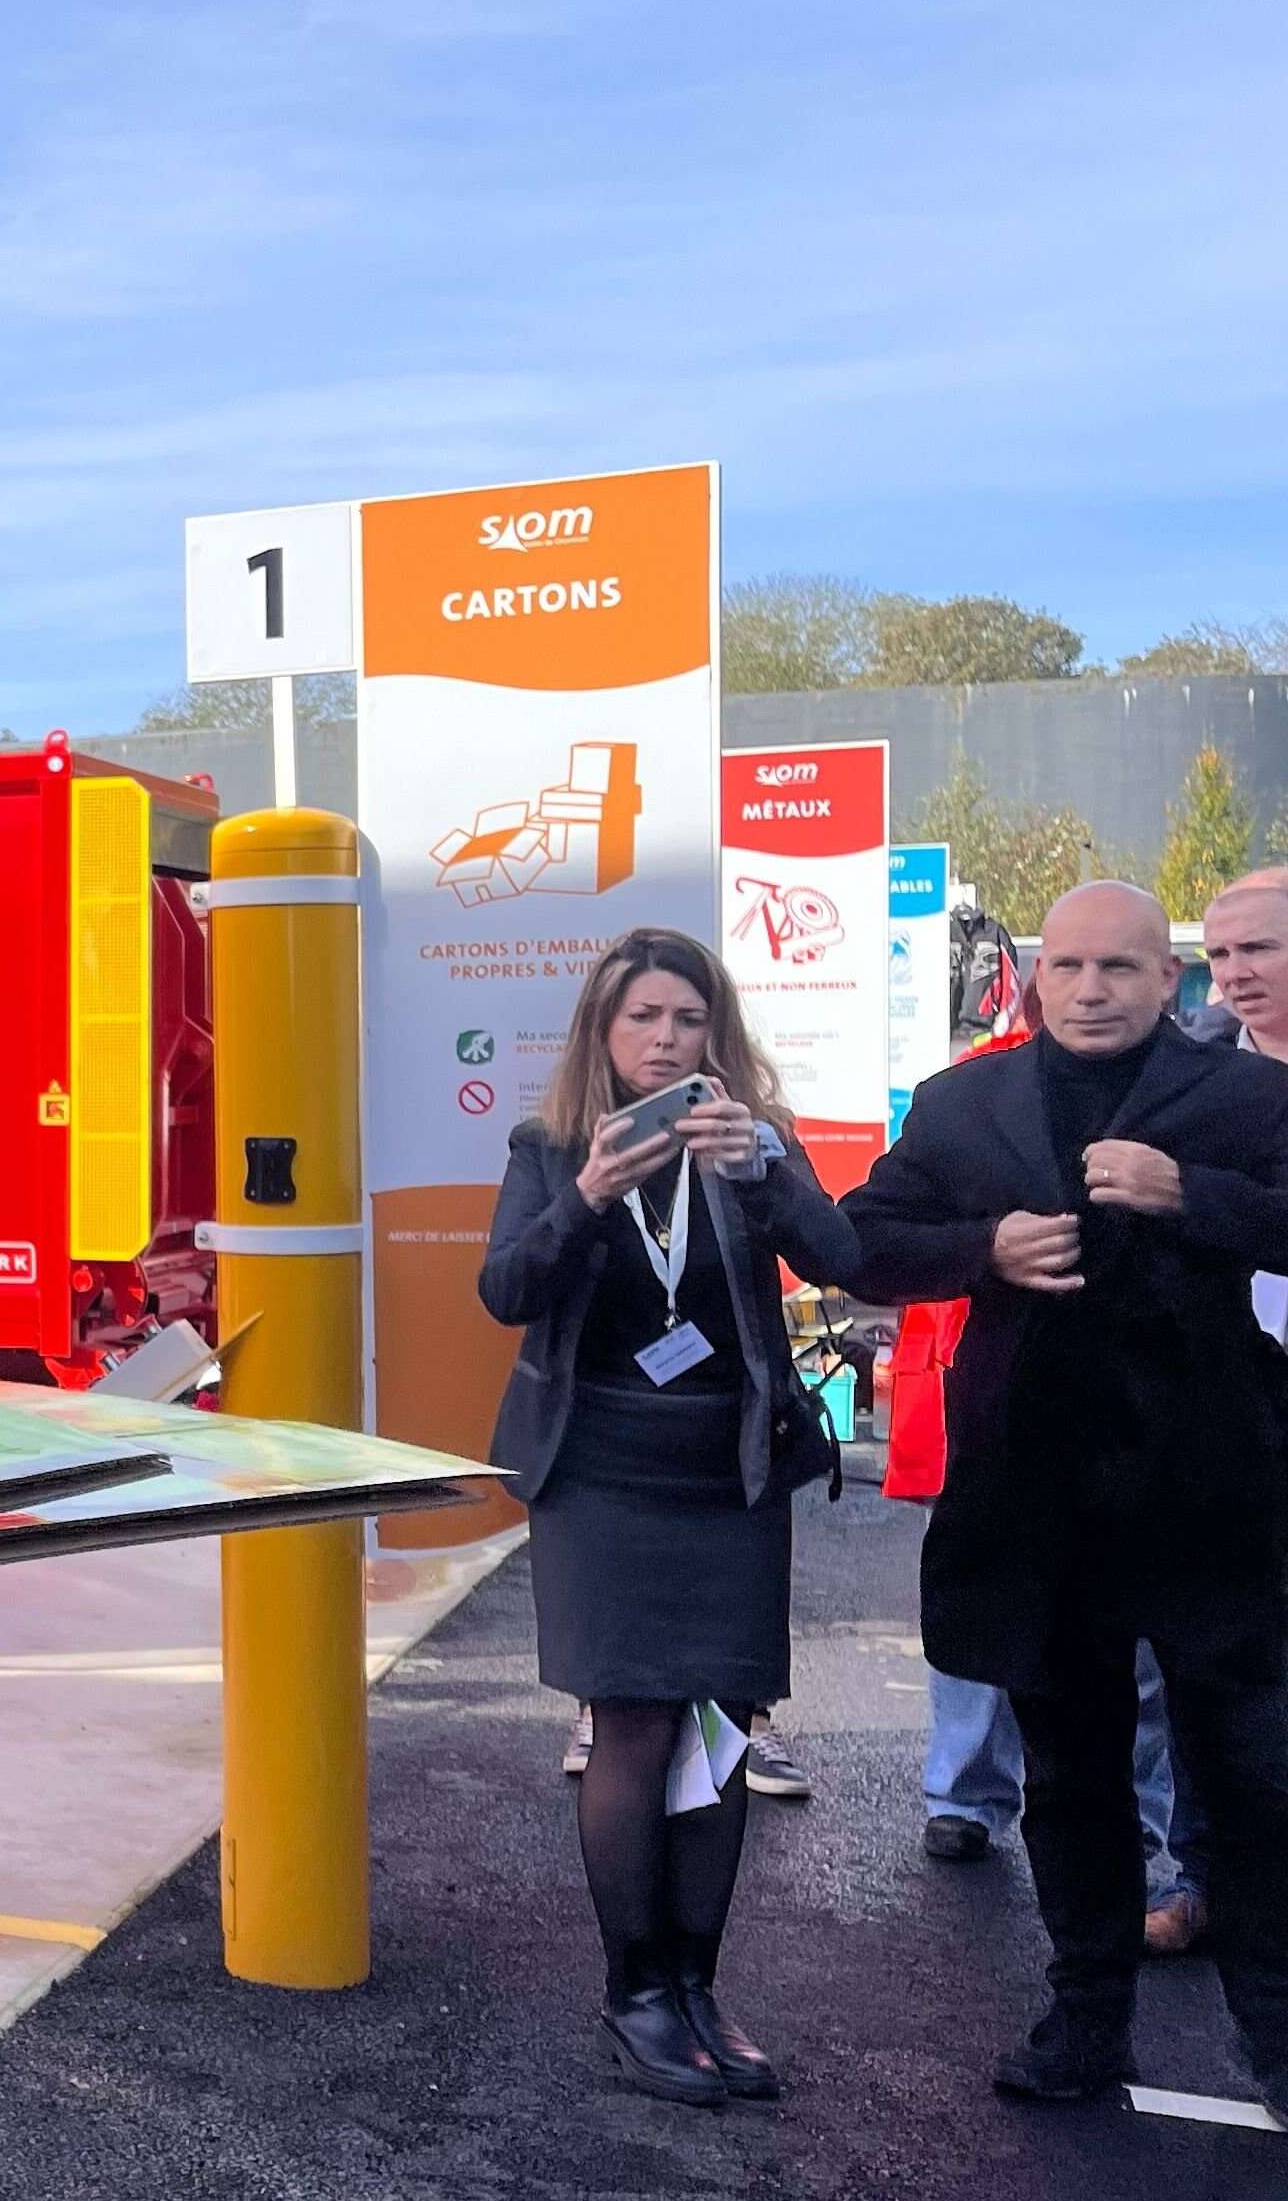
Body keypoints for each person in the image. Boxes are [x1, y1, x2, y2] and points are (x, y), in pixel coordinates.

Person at [840, 879, 1288, 2104]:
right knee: (1071, 1780)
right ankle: (1086, 2018)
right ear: (1037, 979)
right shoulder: (964, 1101)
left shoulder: (1249, 1097)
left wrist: (1191, 1197)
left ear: (1170, 982)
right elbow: (857, 1240)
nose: (1091, 991)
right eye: (1071, 969)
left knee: (1251, 1779)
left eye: (1122, 970)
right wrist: (977, 1248)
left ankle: (1277, 2033)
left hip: (1212, 1497)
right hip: (1036, 1503)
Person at [481, 927, 861, 2106]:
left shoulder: (754, 1142)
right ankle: (635, 1994)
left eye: (686, 1021)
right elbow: (507, 1291)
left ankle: (698, 1988)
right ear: (605, 1030)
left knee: (725, 1724)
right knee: (635, 1723)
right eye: (641, 1017)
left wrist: (769, 1172)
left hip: (724, 1472)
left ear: (716, 1034)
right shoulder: (552, 1147)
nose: (663, 1039)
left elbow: (847, 1255)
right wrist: (591, 1197)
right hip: (601, 1469)